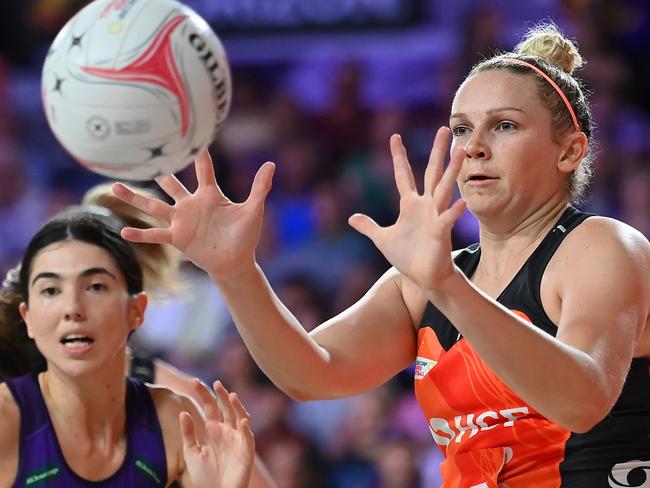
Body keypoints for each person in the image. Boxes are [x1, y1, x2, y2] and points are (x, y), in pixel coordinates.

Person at [112, 23, 650, 486]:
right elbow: (310, 372)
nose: (475, 146)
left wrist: (446, 287)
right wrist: (235, 272)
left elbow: (583, 400)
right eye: (462, 128)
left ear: (570, 149)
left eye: (505, 125)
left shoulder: (600, 246)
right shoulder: (430, 279)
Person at [0, 183, 277, 488]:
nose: (74, 307)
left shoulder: (176, 408)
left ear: (135, 306)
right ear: (28, 311)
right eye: (53, 289)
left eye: (96, 286)